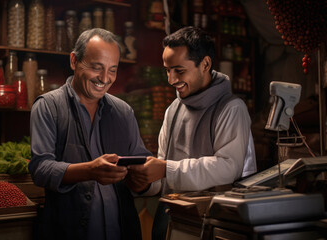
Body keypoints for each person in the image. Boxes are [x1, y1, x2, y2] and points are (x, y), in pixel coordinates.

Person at [126, 26, 257, 239]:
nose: (171, 80)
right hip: (172, 221)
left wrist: (166, 169)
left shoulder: (232, 108)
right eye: (167, 70)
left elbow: (228, 167)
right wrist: (144, 183)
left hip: (214, 225)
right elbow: (165, 176)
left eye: (179, 70)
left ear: (205, 64)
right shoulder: (173, 110)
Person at [28, 28, 151, 240]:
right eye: (97, 67)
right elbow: (41, 168)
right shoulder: (48, 106)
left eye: (112, 70)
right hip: (67, 231)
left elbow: (140, 163)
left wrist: (144, 178)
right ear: (74, 61)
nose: (105, 78)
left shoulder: (124, 112)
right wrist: (89, 171)